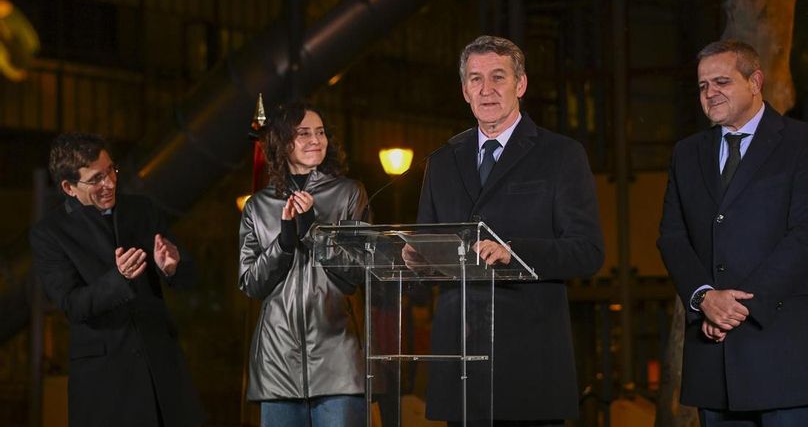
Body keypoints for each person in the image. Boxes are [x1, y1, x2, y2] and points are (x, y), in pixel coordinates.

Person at [411, 35, 605, 425]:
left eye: (498, 77)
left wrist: (513, 251)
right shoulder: (442, 161)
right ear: (465, 90)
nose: (486, 89)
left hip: (528, 363)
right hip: (460, 362)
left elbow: (587, 251)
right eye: (475, 79)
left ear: (521, 84)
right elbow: (426, 244)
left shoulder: (561, 155)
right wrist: (415, 258)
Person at [657, 39, 808, 427]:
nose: (710, 93)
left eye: (722, 81)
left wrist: (734, 308)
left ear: (755, 81)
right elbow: (672, 237)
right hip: (714, 360)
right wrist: (704, 298)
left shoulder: (805, 144)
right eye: (703, 86)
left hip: (785, 356)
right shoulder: (687, 153)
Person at [29, 133, 205, 427]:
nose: (109, 183)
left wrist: (172, 267)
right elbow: (73, 305)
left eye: (111, 170)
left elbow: (189, 275)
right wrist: (119, 278)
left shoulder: (142, 209)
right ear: (69, 187)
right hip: (106, 384)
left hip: (162, 374)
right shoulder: (50, 233)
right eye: (96, 179)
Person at [238, 101, 369, 426]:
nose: (316, 140)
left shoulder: (349, 193)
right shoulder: (258, 206)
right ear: (282, 142)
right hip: (277, 362)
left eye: (321, 132)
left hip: (338, 359)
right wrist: (283, 242)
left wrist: (314, 230)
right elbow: (251, 283)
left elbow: (359, 272)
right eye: (304, 133)